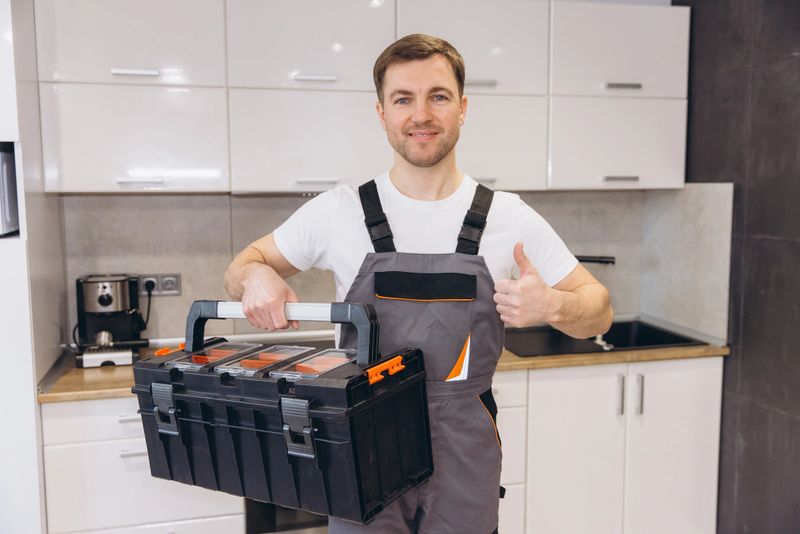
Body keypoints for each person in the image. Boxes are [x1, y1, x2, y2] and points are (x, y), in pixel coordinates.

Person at [225, 34, 613, 534]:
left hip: (464, 449)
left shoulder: (507, 216)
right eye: (403, 98)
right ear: (382, 112)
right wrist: (256, 274)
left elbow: (598, 310)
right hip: (362, 442)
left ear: (463, 108)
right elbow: (242, 264)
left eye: (438, 96)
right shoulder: (338, 212)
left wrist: (554, 305)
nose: (421, 114)